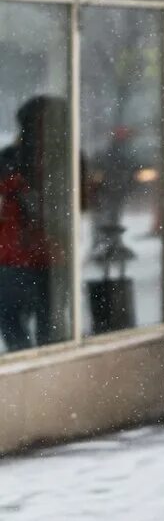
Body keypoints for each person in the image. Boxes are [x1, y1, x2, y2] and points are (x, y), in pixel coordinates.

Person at [0, 96, 67, 352]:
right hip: (49, 255)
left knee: (13, 319)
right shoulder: (65, 158)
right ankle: (43, 370)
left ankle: (28, 364)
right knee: (48, 324)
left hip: (15, 257)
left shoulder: (10, 157)